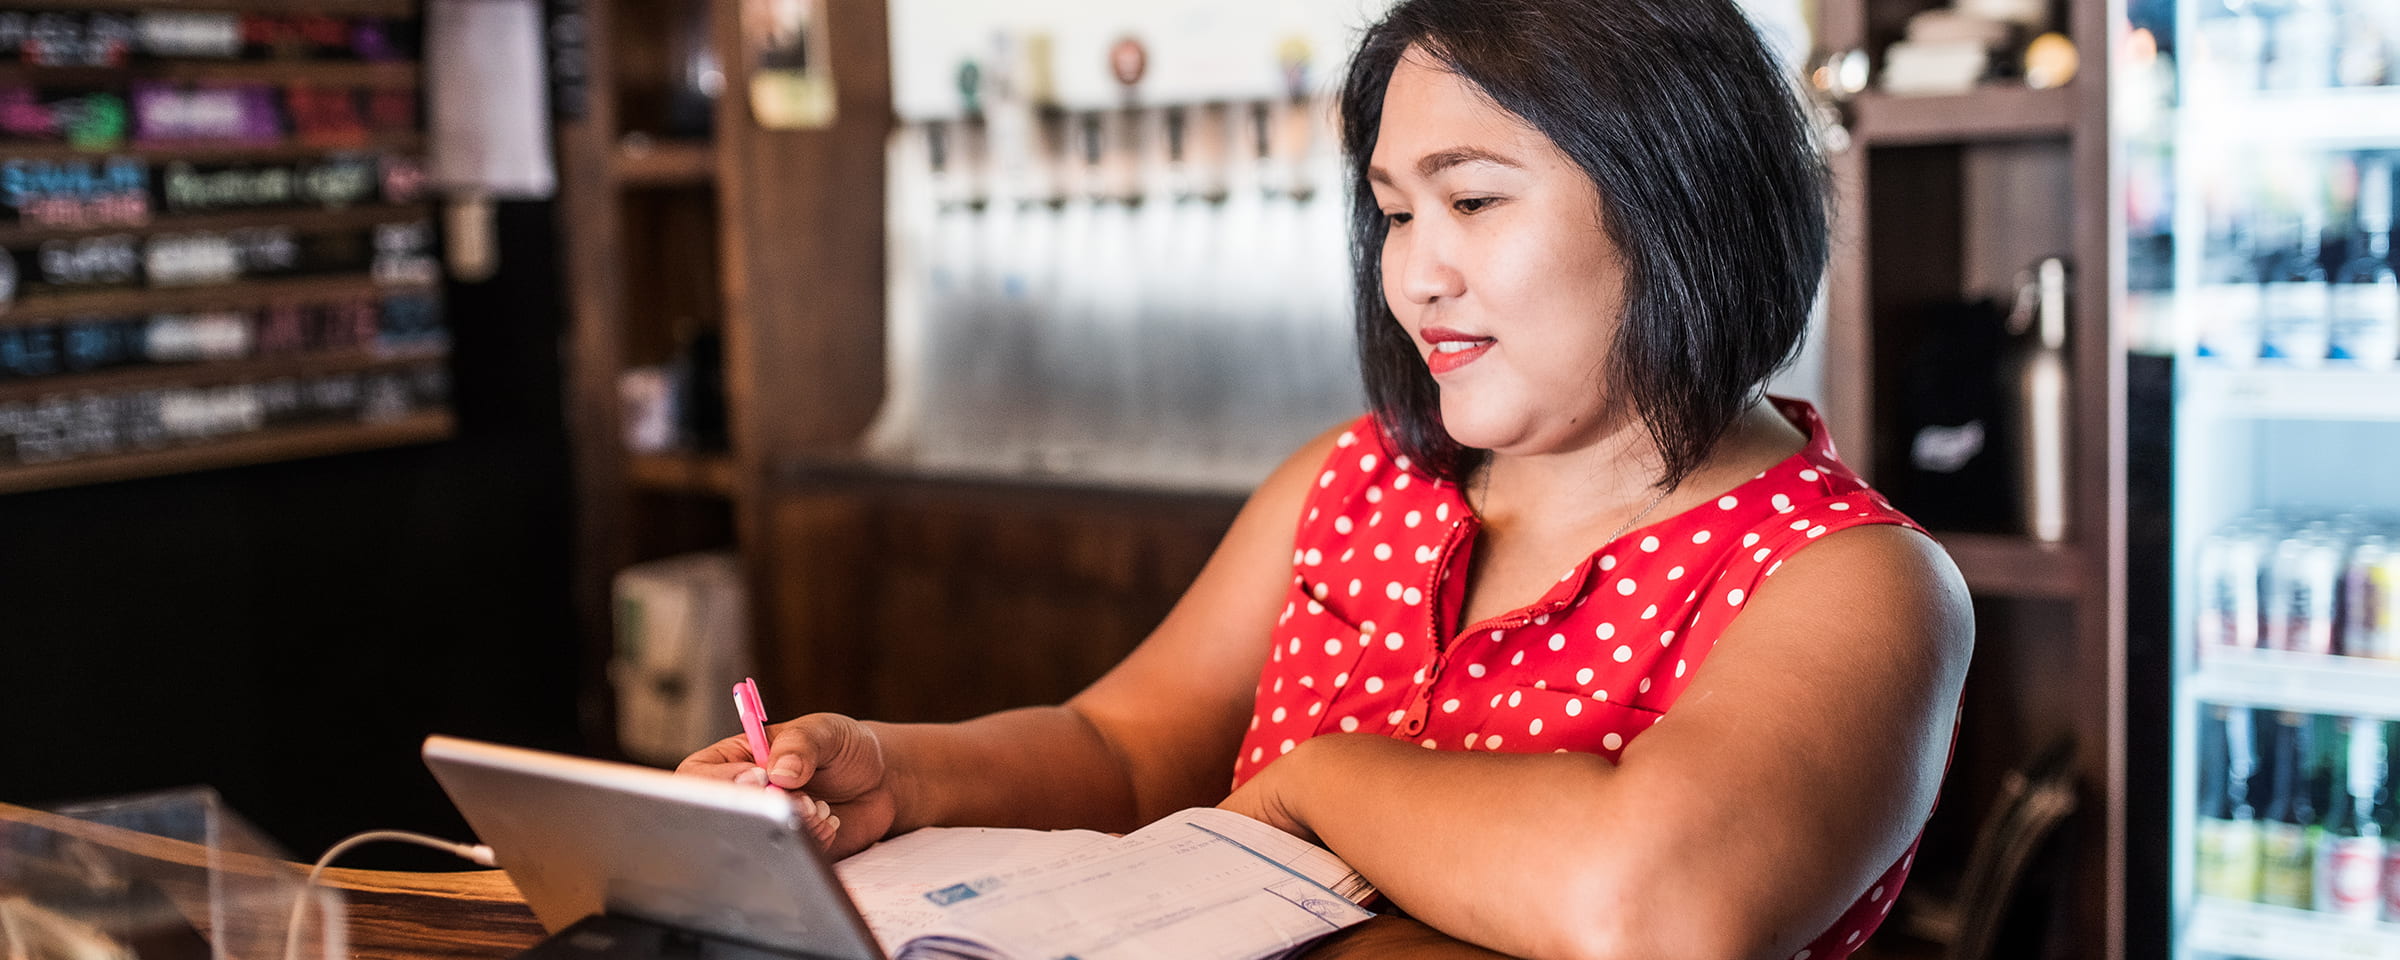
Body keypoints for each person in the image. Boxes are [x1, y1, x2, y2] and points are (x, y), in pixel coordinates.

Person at [679, 0, 1973, 957]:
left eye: (1473, 202)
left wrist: (1323, 781)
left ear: (1684, 202)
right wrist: (895, 774)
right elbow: (1121, 750)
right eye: (1396, 212)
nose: (1415, 274)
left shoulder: (1856, 583)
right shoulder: (1356, 483)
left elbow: (1659, 910)